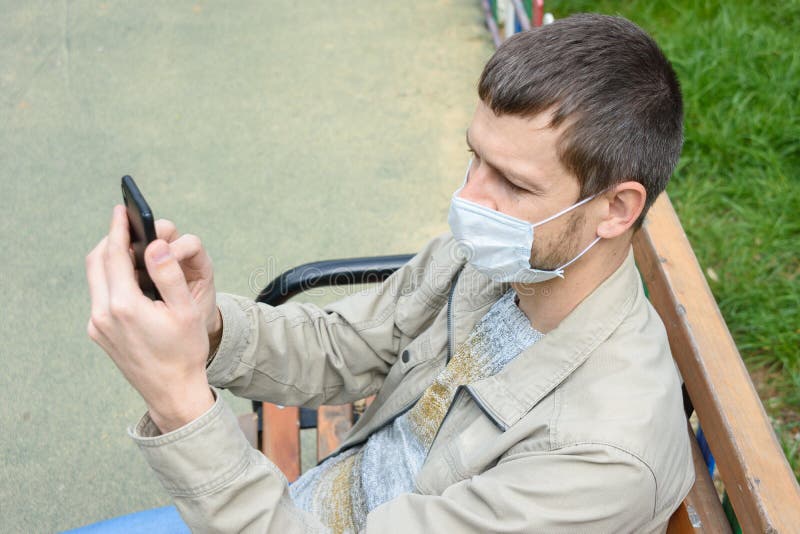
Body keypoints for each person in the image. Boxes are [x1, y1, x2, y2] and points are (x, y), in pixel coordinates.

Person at [84, 13, 694, 533]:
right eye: (474, 157)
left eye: (512, 182)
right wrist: (208, 328)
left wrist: (181, 404)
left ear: (616, 209)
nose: (468, 201)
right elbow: (344, 346)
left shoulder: (599, 461)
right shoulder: (508, 259)